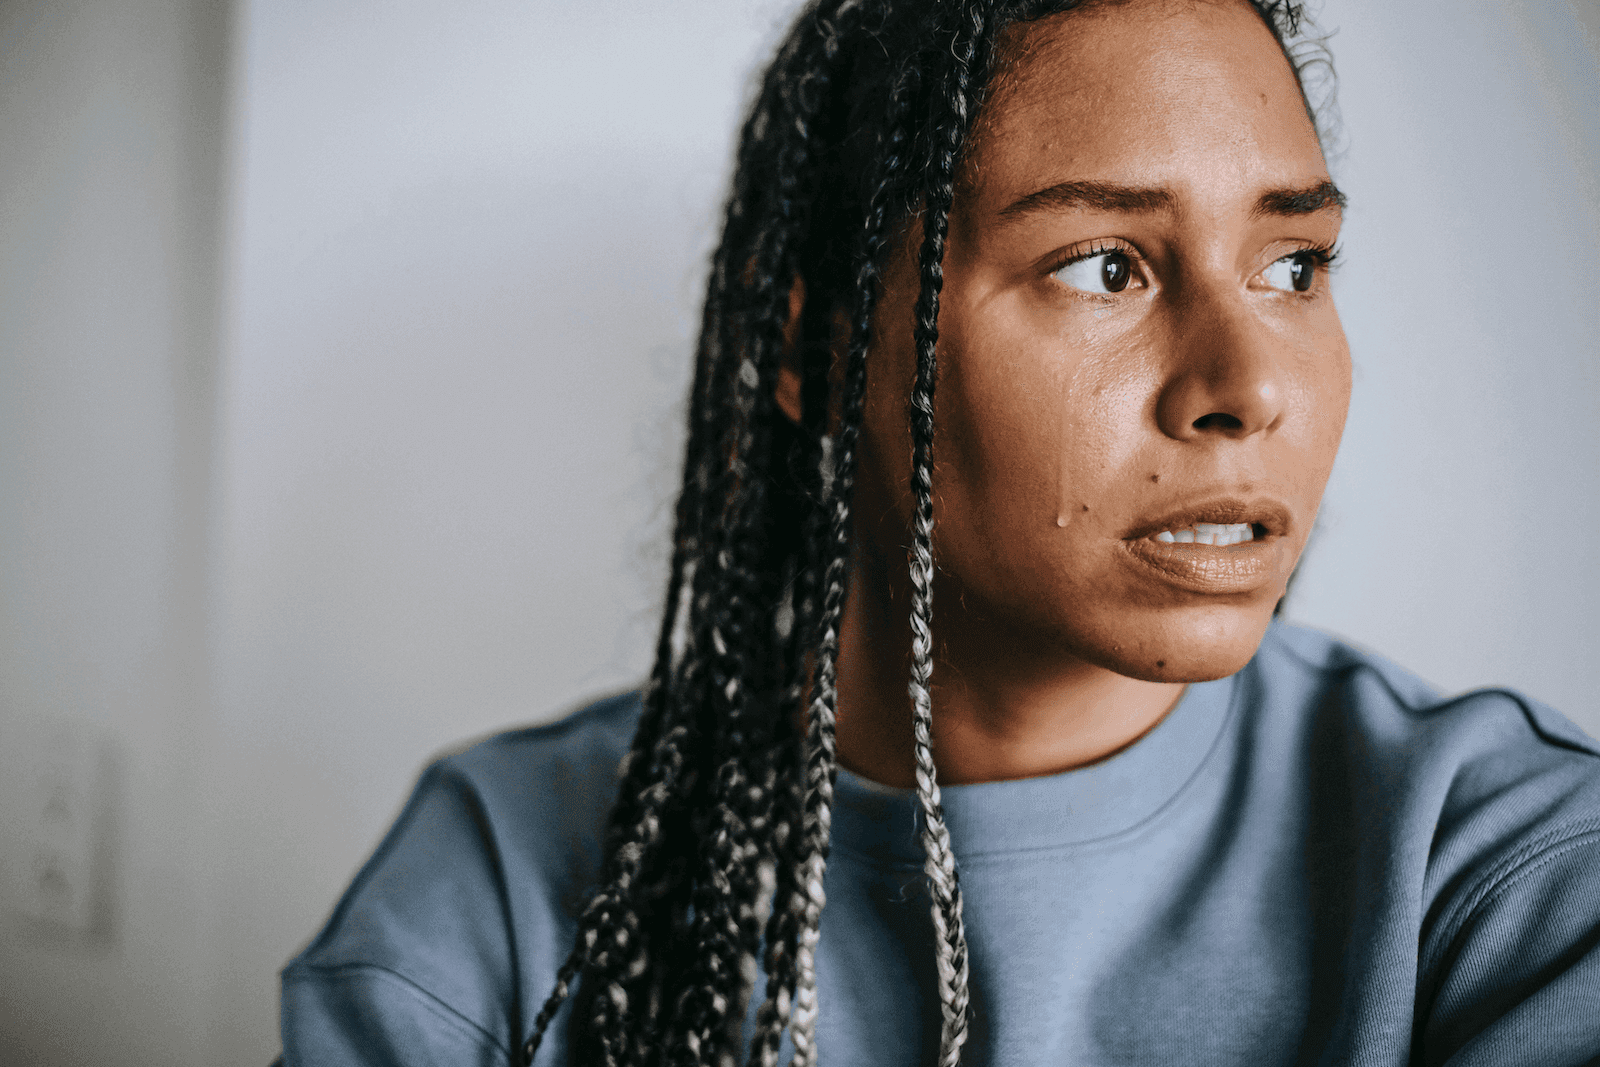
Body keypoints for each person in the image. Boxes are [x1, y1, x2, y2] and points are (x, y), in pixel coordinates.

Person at [276, 0, 1600, 1064]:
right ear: (812, 340)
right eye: (1105, 265)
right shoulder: (504, 885)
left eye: (1294, 266)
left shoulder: (1501, 881)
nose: (1249, 385)